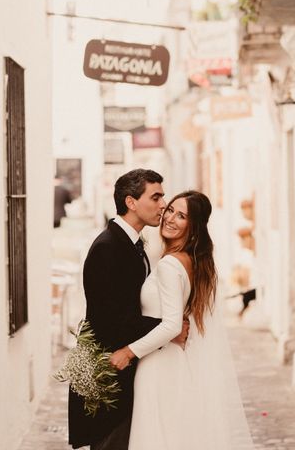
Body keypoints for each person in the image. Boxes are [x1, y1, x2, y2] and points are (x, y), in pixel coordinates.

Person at [109, 190, 254, 450]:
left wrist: (128, 352)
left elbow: (172, 324)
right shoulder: (191, 261)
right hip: (173, 360)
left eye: (182, 216)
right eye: (171, 210)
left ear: (194, 226)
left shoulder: (170, 265)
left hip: (158, 363)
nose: (170, 218)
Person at [68, 169, 188, 450]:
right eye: (155, 197)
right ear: (131, 202)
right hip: (110, 370)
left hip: (126, 366)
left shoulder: (132, 244)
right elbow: (111, 319)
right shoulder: (108, 247)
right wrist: (169, 328)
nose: (163, 205)